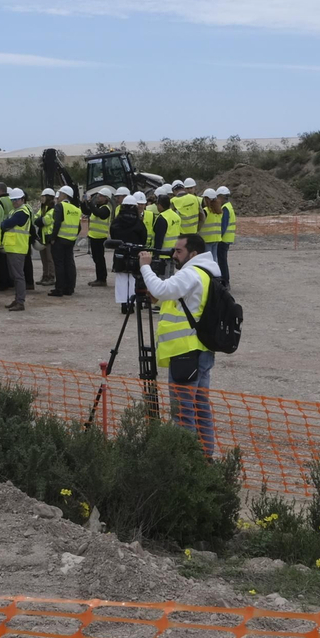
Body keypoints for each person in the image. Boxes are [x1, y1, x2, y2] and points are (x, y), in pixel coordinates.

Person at [138, 234, 221, 457]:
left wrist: (145, 267)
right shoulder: (206, 271)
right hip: (200, 349)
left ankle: (188, 461)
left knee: (183, 412)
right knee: (200, 407)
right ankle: (205, 457)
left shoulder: (191, 273)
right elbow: (179, 299)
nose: (174, 255)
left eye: (179, 251)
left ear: (193, 253)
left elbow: (161, 290)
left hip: (186, 352)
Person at [109, 192, 147, 312]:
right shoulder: (139, 223)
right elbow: (143, 238)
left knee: (121, 278)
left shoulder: (116, 222)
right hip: (134, 253)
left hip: (120, 253)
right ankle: (132, 303)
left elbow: (113, 235)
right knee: (133, 279)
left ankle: (123, 304)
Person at [0, 188, 33, 311]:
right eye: (12, 200)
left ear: (22, 199)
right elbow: (5, 224)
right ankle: (18, 299)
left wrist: (5, 224)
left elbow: (6, 224)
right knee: (15, 276)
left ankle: (20, 302)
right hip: (13, 247)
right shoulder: (15, 211)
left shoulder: (22, 212)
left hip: (17, 247)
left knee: (18, 276)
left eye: (16, 200)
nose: (14, 202)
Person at [48, 184, 82, 296]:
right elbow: (79, 227)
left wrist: (53, 238)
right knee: (69, 263)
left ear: (64, 195)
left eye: (60, 194)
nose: (58, 196)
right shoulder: (76, 209)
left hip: (60, 240)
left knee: (59, 264)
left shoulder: (60, 206)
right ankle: (69, 288)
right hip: (71, 240)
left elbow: (57, 223)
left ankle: (59, 289)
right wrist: (73, 236)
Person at [85, 189, 112, 287]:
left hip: (100, 238)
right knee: (96, 258)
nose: (98, 197)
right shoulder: (97, 207)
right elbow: (87, 211)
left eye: (100, 196)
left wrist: (90, 202)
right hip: (94, 236)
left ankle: (102, 279)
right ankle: (99, 278)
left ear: (106, 198)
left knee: (100, 258)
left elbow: (98, 213)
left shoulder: (106, 209)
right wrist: (84, 203)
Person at [34, 188, 57, 288]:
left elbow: (45, 221)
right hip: (42, 237)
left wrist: (40, 220)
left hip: (48, 238)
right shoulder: (43, 209)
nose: (41, 198)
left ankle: (51, 277)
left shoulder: (53, 210)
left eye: (43, 196)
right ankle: (45, 276)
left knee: (49, 259)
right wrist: (40, 220)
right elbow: (35, 219)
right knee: (44, 259)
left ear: (48, 197)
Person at [214, 186, 235, 288]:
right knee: (222, 259)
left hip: (223, 239)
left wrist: (218, 237)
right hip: (227, 239)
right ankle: (225, 281)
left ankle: (225, 281)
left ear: (222, 197)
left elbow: (223, 225)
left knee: (222, 261)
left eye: (218, 197)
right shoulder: (229, 207)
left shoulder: (225, 208)